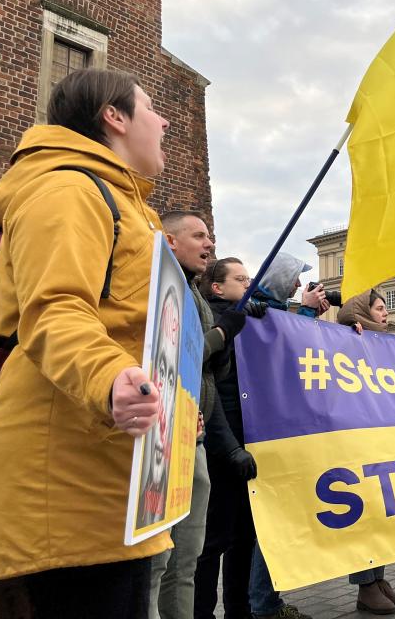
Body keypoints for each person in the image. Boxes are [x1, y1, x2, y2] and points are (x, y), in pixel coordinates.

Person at [0, 68, 168, 617]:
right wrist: (111, 379)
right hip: (64, 485)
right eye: (151, 107)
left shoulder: (122, 201)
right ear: (115, 116)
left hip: (110, 477)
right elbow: (54, 309)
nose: (165, 119)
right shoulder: (68, 187)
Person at [151, 211, 261, 619]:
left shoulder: (190, 290)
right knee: (178, 556)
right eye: (199, 235)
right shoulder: (163, 286)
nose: (209, 242)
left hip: (198, 430)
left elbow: (207, 374)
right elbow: (183, 355)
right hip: (181, 436)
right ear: (170, 241)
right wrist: (221, 333)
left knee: (192, 553)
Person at [244, 253, 326, 619]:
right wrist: (305, 315)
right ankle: (263, 604)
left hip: (273, 428)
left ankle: (261, 601)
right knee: (270, 523)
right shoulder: (258, 314)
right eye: (293, 278)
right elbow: (287, 356)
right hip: (265, 431)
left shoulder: (267, 309)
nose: (298, 286)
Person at [193, 258, 266, 619]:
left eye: (250, 277)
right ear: (218, 288)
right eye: (240, 279)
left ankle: (240, 611)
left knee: (244, 538)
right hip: (221, 449)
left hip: (247, 448)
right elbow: (214, 393)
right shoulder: (213, 323)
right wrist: (230, 448)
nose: (248, 283)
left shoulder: (249, 322)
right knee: (212, 543)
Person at [337, 290, 395, 614]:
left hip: (381, 437)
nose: (386, 313)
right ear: (361, 313)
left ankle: (380, 578)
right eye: (379, 308)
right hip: (355, 440)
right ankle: (364, 585)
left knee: (382, 513)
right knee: (364, 515)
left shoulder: (383, 342)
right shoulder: (342, 340)